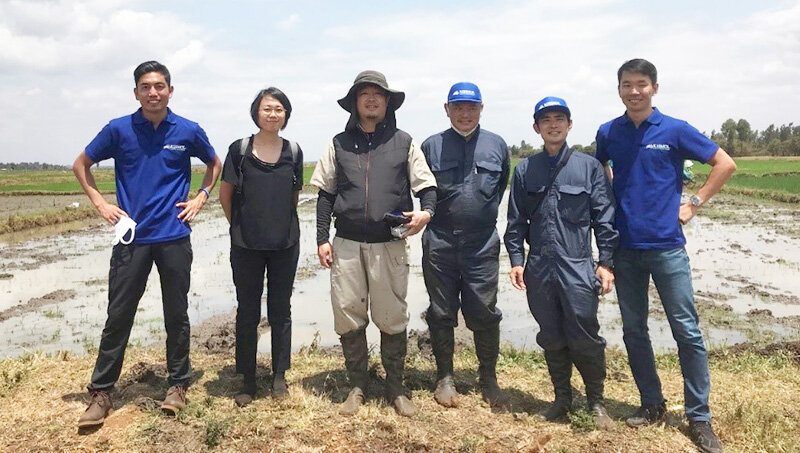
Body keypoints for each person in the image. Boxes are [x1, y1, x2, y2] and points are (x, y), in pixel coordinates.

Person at [595, 58, 736, 453]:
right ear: (619, 89)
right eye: (626, 84)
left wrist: (693, 201)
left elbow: (725, 163)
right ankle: (652, 403)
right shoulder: (609, 132)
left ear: (654, 88)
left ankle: (699, 417)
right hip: (625, 249)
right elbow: (600, 169)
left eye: (641, 84)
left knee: (686, 331)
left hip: (667, 248)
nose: (634, 91)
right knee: (634, 330)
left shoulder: (674, 129)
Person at [73, 61, 221, 427]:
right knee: (119, 314)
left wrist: (201, 196)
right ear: (136, 92)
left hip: (173, 235)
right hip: (132, 237)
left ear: (170, 90)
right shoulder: (119, 129)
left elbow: (214, 163)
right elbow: (81, 164)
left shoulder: (187, 130)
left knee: (177, 313)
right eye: (145, 87)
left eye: (159, 86)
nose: (153, 93)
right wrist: (101, 203)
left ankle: (177, 385)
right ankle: (102, 392)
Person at [310, 70, 437, 417]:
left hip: (390, 243)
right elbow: (325, 194)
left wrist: (426, 213)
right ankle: (357, 385)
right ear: (354, 101)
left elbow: (427, 187)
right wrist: (322, 238)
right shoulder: (337, 143)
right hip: (347, 243)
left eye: (377, 94)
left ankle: (396, 387)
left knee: (392, 315)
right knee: (349, 315)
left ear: (387, 102)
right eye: (364, 93)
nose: (371, 99)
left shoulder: (404, 141)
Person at [505, 96, 618, 428]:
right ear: (536, 128)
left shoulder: (589, 167)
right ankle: (562, 399)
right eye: (546, 120)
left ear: (569, 125)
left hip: (578, 264)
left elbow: (605, 219)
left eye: (559, 119)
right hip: (539, 265)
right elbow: (515, 222)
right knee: (551, 334)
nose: (553, 125)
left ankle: (596, 403)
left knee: (585, 333)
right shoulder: (525, 169)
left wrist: (606, 263)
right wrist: (516, 260)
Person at [420, 82, 510, 410]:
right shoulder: (431, 146)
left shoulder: (497, 145)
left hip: (482, 242)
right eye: (458, 107)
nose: (465, 113)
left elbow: (500, 189)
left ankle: (488, 378)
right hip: (440, 240)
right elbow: (421, 189)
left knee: (484, 311)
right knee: (441, 312)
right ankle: (444, 377)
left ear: (481, 109)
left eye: (471, 107)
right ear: (447, 109)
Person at [219, 87, 303, 407]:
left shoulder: (293, 152)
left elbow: (292, 199)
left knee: (281, 310)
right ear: (256, 112)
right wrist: (240, 227)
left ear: (286, 115)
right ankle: (248, 377)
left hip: (285, 244)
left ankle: (279, 374)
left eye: (279, 109)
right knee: (248, 311)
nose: (272, 114)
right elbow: (226, 195)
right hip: (246, 245)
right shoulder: (240, 150)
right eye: (267, 108)